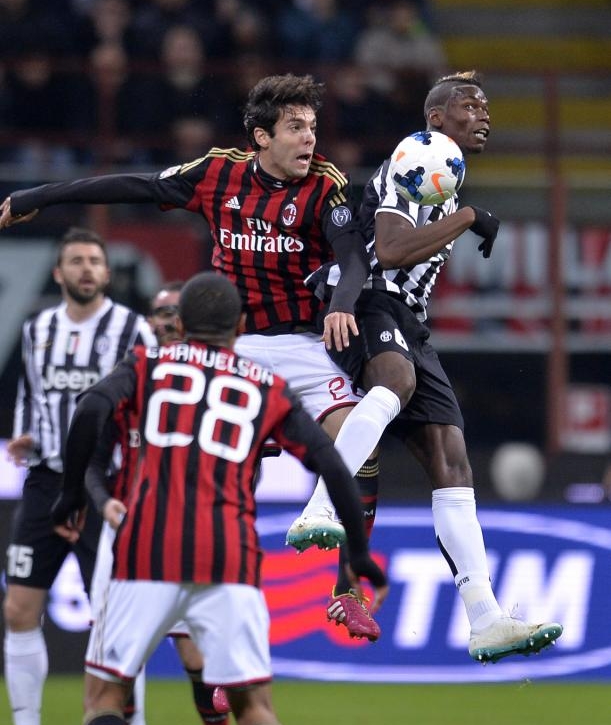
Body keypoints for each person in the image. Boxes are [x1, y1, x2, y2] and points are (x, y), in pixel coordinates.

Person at [0, 72, 388, 642]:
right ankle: (198, 580)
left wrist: (344, 304)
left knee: (360, 438)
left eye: (311, 126)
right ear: (261, 137)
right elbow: (132, 186)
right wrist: (39, 196)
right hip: (238, 347)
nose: (309, 138)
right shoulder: (216, 173)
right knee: (217, 463)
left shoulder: (325, 185)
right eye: (295, 128)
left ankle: (347, 590)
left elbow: (353, 257)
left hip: (306, 344)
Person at [51, 271, 388, 725]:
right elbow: (332, 461)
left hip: (146, 549)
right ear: (241, 325)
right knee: (256, 711)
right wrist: (358, 555)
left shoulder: (147, 365)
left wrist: (72, 494)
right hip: (230, 555)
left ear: (182, 323)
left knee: (104, 700)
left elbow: (91, 408)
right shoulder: (264, 385)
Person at [290, 70, 564, 664]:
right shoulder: (423, 151)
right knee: (397, 380)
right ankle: (321, 505)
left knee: (452, 459)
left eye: (486, 107)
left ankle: (485, 618)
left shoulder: (444, 165)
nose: (483, 115)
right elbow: (388, 251)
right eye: (470, 105)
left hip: (406, 316)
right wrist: (466, 218)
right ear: (436, 117)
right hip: (368, 299)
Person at [0, 227, 156, 725]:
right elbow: (30, 396)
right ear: (59, 272)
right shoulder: (37, 328)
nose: (86, 268)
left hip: (106, 486)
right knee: (18, 609)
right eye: (76, 260)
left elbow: (149, 406)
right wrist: (24, 435)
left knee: (112, 621)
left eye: (94, 260)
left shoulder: (133, 330)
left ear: (107, 273)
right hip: (45, 483)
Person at [86, 279, 245, 725]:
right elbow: (95, 457)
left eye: (177, 312)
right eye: (160, 313)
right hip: (129, 536)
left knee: (196, 660)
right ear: (150, 323)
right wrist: (99, 500)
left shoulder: (217, 381)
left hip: (192, 535)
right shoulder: (130, 378)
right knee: (116, 656)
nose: (168, 321)